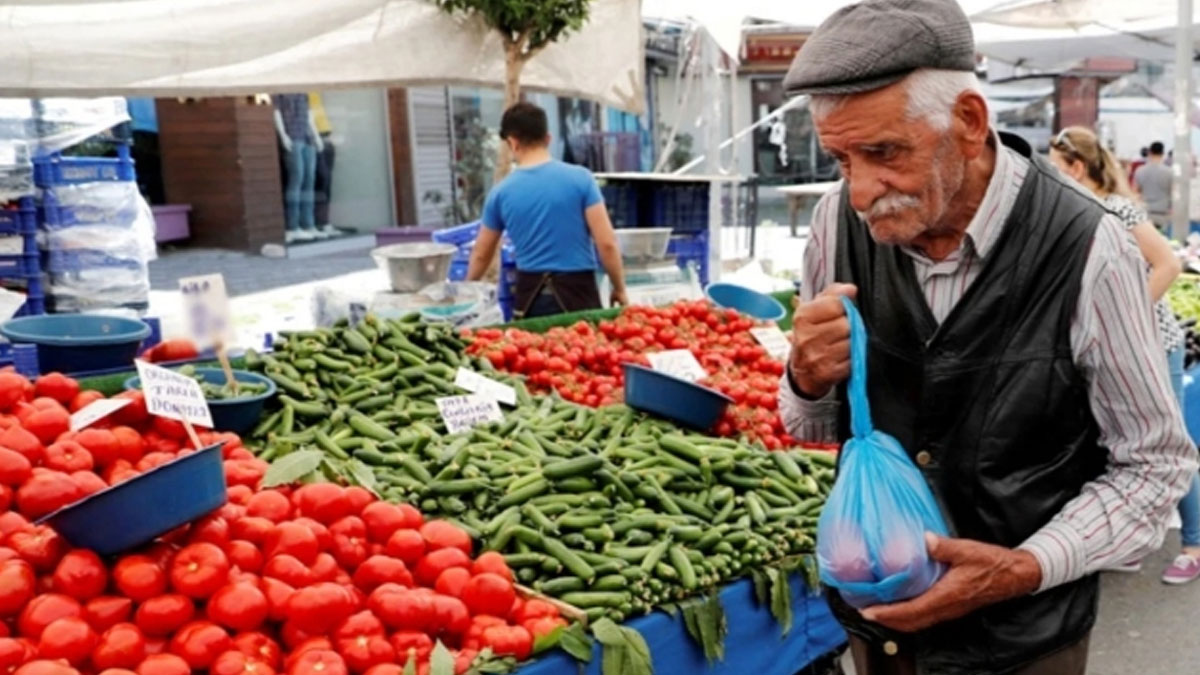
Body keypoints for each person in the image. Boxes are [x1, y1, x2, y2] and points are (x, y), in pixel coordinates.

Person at [779, 1, 1196, 673]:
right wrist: (804, 374)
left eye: (884, 152)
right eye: (840, 159)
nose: (859, 191)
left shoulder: (1089, 247)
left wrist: (1023, 566)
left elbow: (1155, 464)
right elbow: (811, 425)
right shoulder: (835, 224)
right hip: (880, 631)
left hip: (1024, 641)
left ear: (969, 123)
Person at [1048, 126, 1199, 584]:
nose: (1051, 179)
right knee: (1119, 442)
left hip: (1156, 344)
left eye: (1056, 169)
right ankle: (1133, 541)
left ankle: (1194, 543)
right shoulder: (1074, 211)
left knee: (1167, 445)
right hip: (1112, 350)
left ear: (1077, 168)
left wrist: (1124, 317)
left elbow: (1169, 263)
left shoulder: (1113, 208)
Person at [467, 102, 627, 318]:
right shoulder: (581, 179)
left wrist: (465, 292)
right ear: (548, 138)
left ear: (512, 143)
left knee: (538, 350)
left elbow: (481, 255)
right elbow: (607, 244)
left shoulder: (500, 193)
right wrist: (619, 287)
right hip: (579, 295)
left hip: (530, 299)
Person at [1134, 141, 1174, 237]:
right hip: (1162, 214)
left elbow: (1135, 192)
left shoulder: (1140, 171)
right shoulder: (1169, 172)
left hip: (1144, 214)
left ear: (1150, 152)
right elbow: (1172, 192)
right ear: (1163, 153)